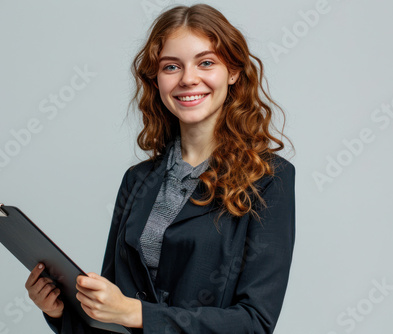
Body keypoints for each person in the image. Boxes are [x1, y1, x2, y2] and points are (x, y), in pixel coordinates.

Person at [25, 3, 296, 333]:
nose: (188, 79)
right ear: (156, 80)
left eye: (206, 62)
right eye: (171, 67)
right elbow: (111, 319)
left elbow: (254, 323)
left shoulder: (269, 178)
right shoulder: (137, 180)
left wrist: (136, 313)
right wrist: (60, 312)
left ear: (234, 72)